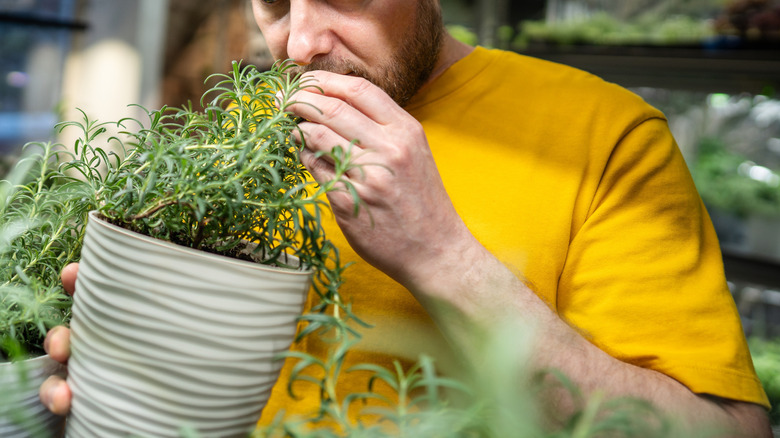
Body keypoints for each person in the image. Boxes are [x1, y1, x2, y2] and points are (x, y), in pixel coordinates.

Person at [42, 0, 772, 435]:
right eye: (272, 2)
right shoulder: (242, 131)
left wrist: (442, 255)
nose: (300, 43)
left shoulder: (605, 135)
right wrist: (123, 359)